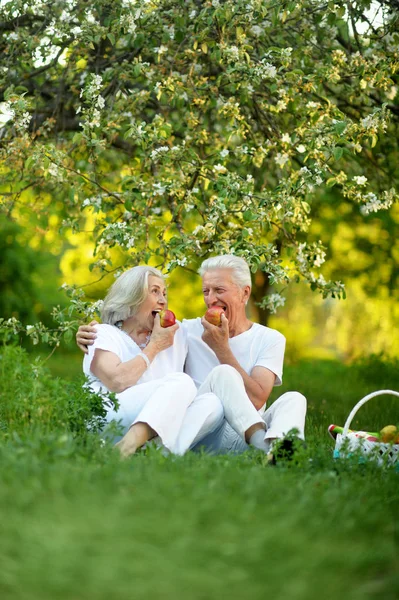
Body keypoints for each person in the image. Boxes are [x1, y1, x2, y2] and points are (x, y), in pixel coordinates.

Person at [78, 256, 306, 459]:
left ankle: (279, 455)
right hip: (200, 430)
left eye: (219, 290)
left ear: (244, 293)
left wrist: (221, 348)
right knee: (217, 378)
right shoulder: (187, 331)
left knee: (295, 399)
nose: (211, 299)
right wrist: (88, 333)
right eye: (206, 291)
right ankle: (145, 450)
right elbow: (133, 336)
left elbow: (256, 400)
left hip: (239, 431)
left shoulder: (270, 339)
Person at [83, 265, 225, 457]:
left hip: (154, 421)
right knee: (182, 382)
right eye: (155, 291)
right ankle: (126, 447)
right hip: (109, 414)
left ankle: (151, 454)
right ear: (132, 297)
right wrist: (155, 346)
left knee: (213, 404)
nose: (163, 300)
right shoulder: (102, 333)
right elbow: (117, 381)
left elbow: (222, 325)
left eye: (164, 293)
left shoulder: (177, 333)